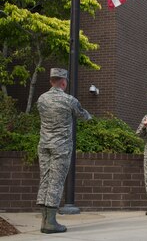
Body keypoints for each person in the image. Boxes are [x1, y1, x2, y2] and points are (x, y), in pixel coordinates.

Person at [36, 68, 92, 234]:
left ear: (51, 80)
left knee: (45, 179)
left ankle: (45, 220)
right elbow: (83, 116)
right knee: (56, 181)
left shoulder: (41, 99)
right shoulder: (69, 100)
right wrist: (88, 116)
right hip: (60, 147)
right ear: (63, 82)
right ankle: (51, 223)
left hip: (44, 145)